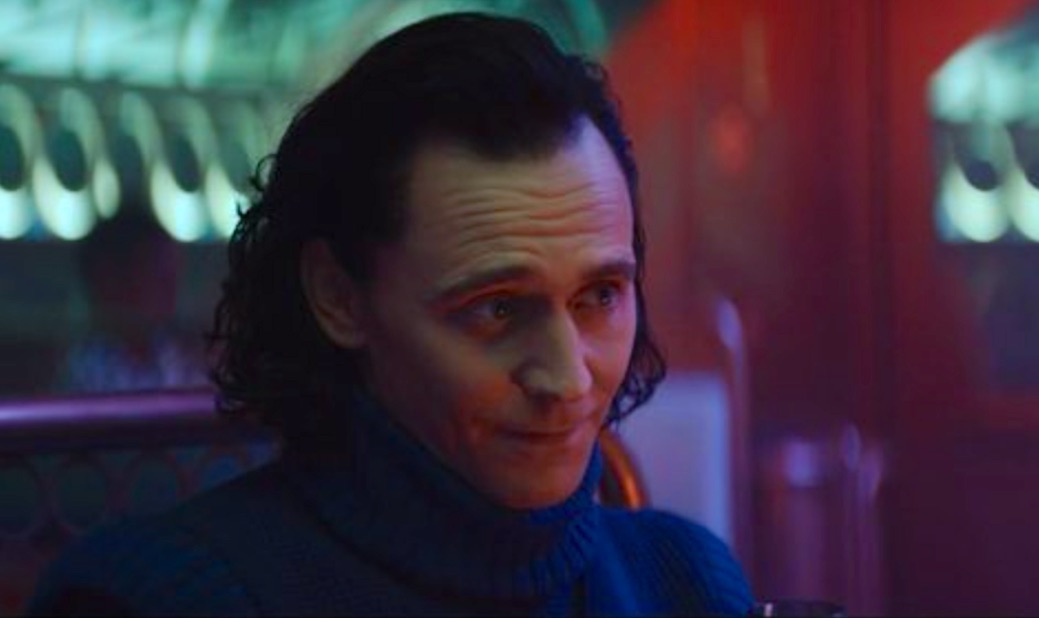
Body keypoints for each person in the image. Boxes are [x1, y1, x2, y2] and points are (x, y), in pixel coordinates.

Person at [27, 13, 755, 616]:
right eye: (497, 308)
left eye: (599, 297)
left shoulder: (684, 582)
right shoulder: (162, 597)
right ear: (338, 297)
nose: (567, 379)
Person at [53, 207, 207, 393]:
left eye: (172, 277)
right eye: (158, 277)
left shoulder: (189, 361)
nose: (171, 291)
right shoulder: (80, 369)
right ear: (111, 282)